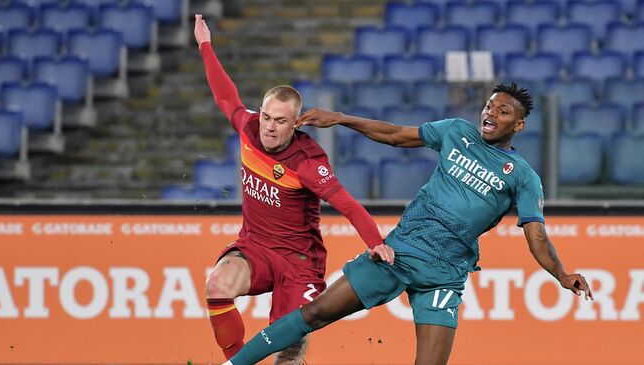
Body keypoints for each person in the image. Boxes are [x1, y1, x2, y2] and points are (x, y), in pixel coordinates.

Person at [221, 82, 595, 365]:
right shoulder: (456, 132)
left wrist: (561, 275)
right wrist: (343, 119)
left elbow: (537, 236)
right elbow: (397, 136)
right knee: (314, 313)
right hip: (399, 252)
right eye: (489, 106)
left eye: (502, 112)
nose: (491, 114)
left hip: (446, 273)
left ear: (520, 124)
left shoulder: (524, 177)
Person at [193, 14, 394, 365]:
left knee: (287, 355)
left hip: (299, 263)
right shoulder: (249, 128)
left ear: (296, 122)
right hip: (254, 246)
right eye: (267, 117)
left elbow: (347, 204)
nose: (269, 128)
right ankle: (237, 360)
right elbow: (226, 96)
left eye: (280, 121)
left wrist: (375, 242)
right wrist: (205, 45)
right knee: (216, 286)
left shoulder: (307, 161)